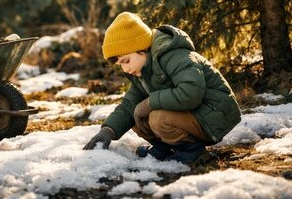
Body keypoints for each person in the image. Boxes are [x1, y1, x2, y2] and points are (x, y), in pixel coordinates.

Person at [83, 12, 241, 164]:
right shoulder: (143, 71)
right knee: (134, 114)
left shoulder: (176, 56)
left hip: (213, 115)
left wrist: (150, 102)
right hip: (192, 116)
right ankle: (163, 148)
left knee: (157, 117)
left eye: (126, 61)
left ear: (142, 49)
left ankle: (193, 152)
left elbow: (190, 93)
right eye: (120, 65)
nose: (125, 69)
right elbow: (128, 106)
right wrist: (107, 131)